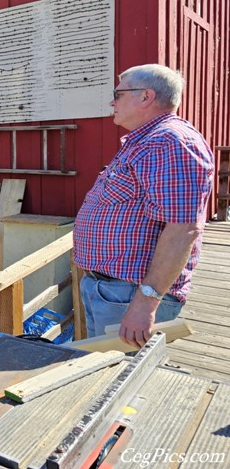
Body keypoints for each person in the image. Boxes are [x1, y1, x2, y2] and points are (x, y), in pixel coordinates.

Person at [73, 65, 214, 348]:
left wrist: (145, 303)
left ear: (146, 96)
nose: (112, 102)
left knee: (118, 380)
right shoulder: (147, 141)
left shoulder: (168, 142)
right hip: (112, 291)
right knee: (103, 375)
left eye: (118, 93)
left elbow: (182, 229)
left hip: (130, 295)